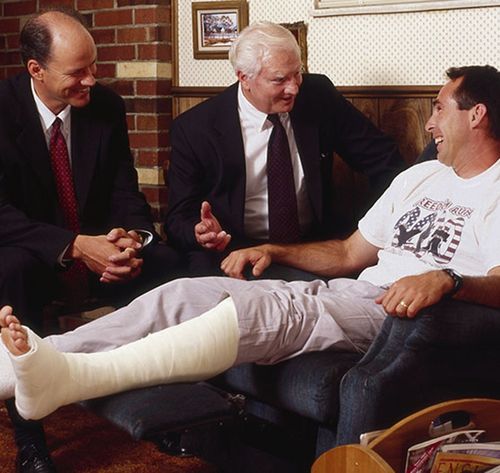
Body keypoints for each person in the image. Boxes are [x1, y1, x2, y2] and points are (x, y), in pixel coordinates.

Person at [1, 66, 499, 438]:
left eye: (438, 107)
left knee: (260, 307)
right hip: (349, 289)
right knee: (185, 293)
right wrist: (271, 247)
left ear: (476, 115)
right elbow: (350, 252)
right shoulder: (420, 176)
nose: (430, 123)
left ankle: (69, 377)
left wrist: (448, 280)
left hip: (398, 312)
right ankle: (30, 366)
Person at [0, 8, 181, 472]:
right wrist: (76, 245)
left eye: (94, 67)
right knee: (10, 272)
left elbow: (126, 191)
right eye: (77, 72)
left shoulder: (106, 107)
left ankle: (174, 415)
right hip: (30, 251)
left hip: (100, 247)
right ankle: (31, 438)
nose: (91, 80)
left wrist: (132, 240)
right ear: (35, 70)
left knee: (168, 265)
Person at [165, 21, 405, 278]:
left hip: (310, 249)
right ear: (243, 77)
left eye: (297, 73)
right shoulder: (195, 128)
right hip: (232, 253)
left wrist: (376, 226)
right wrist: (199, 233)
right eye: (280, 80)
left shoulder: (317, 96)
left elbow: (383, 159)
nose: (294, 88)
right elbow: (178, 217)